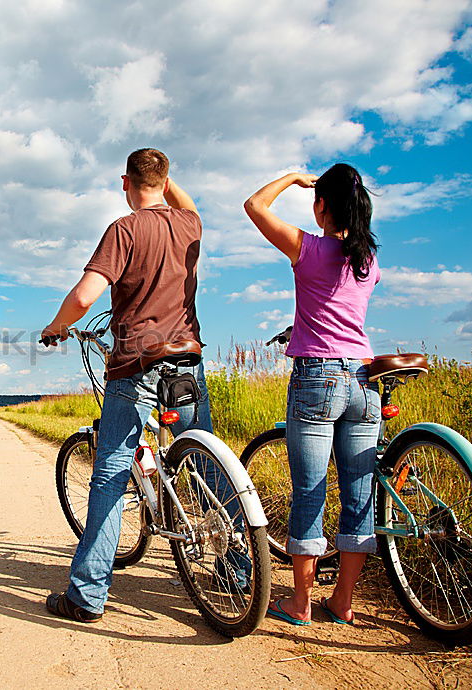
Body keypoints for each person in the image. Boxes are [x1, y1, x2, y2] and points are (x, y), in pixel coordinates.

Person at [40, 148, 212, 623]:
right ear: (167, 180)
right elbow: (189, 204)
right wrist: (169, 179)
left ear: (124, 182)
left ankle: (87, 595)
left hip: (135, 362)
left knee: (110, 475)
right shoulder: (189, 225)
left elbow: (83, 296)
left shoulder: (124, 229)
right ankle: (238, 569)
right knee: (208, 462)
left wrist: (56, 325)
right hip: (187, 361)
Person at [243, 163, 380, 626]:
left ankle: (300, 604)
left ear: (322, 205)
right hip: (364, 379)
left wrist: (292, 177)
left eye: (315, 199)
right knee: (358, 495)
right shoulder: (368, 261)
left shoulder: (310, 250)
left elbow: (254, 206)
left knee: (309, 492)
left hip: (318, 378)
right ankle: (341, 601)